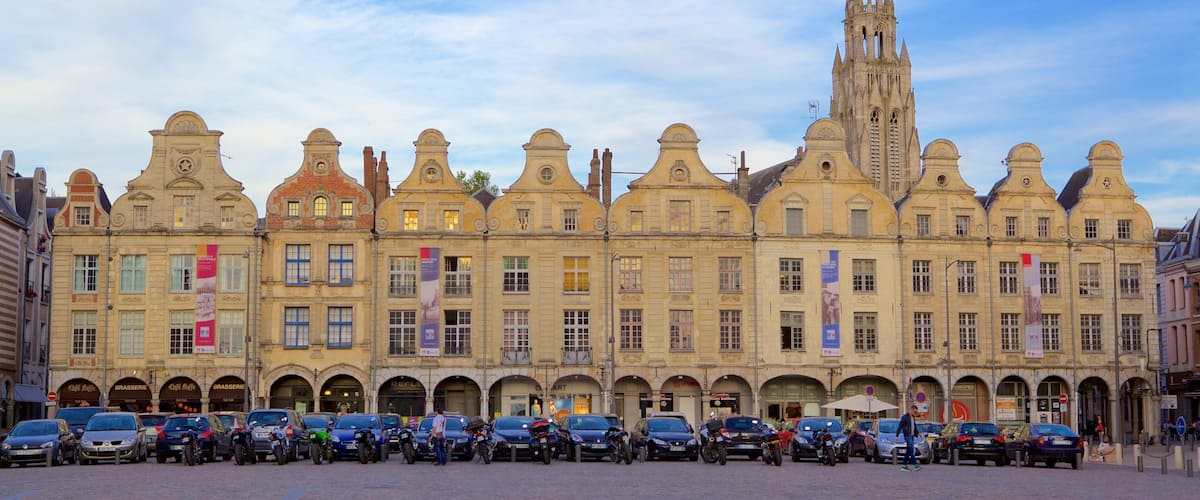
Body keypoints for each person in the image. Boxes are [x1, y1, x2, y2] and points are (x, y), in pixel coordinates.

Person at [897, 404, 919, 471]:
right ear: (911, 410)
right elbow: (900, 426)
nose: (915, 413)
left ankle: (904, 465)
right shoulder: (905, 417)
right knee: (911, 449)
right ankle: (915, 465)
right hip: (907, 435)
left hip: (912, 435)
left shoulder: (912, 417)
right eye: (914, 412)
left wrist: (917, 433)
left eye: (916, 412)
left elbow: (914, 426)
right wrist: (897, 435)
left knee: (909, 450)